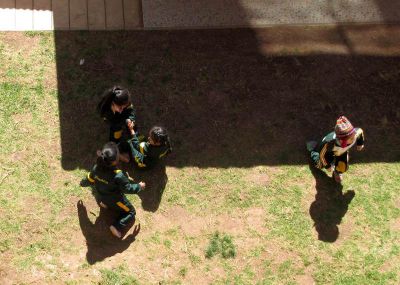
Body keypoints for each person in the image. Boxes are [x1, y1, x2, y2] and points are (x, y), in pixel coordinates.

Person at [87, 142, 145, 238]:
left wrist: (82, 183)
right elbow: (128, 188)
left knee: (104, 195)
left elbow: (89, 179)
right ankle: (116, 226)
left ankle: (104, 204)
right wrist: (139, 186)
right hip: (115, 200)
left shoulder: (96, 168)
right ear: (114, 161)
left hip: (101, 195)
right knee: (131, 212)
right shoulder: (118, 175)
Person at [308, 116, 365, 183]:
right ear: (342, 141)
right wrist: (327, 166)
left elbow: (360, 131)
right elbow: (322, 155)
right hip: (325, 152)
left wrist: (360, 143)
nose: (354, 138)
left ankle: (337, 172)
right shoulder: (329, 143)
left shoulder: (354, 134)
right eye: (351, 138)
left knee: (343, 166)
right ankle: (312, 149)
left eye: (354, 135)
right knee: (319, 165)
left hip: (340, 151)